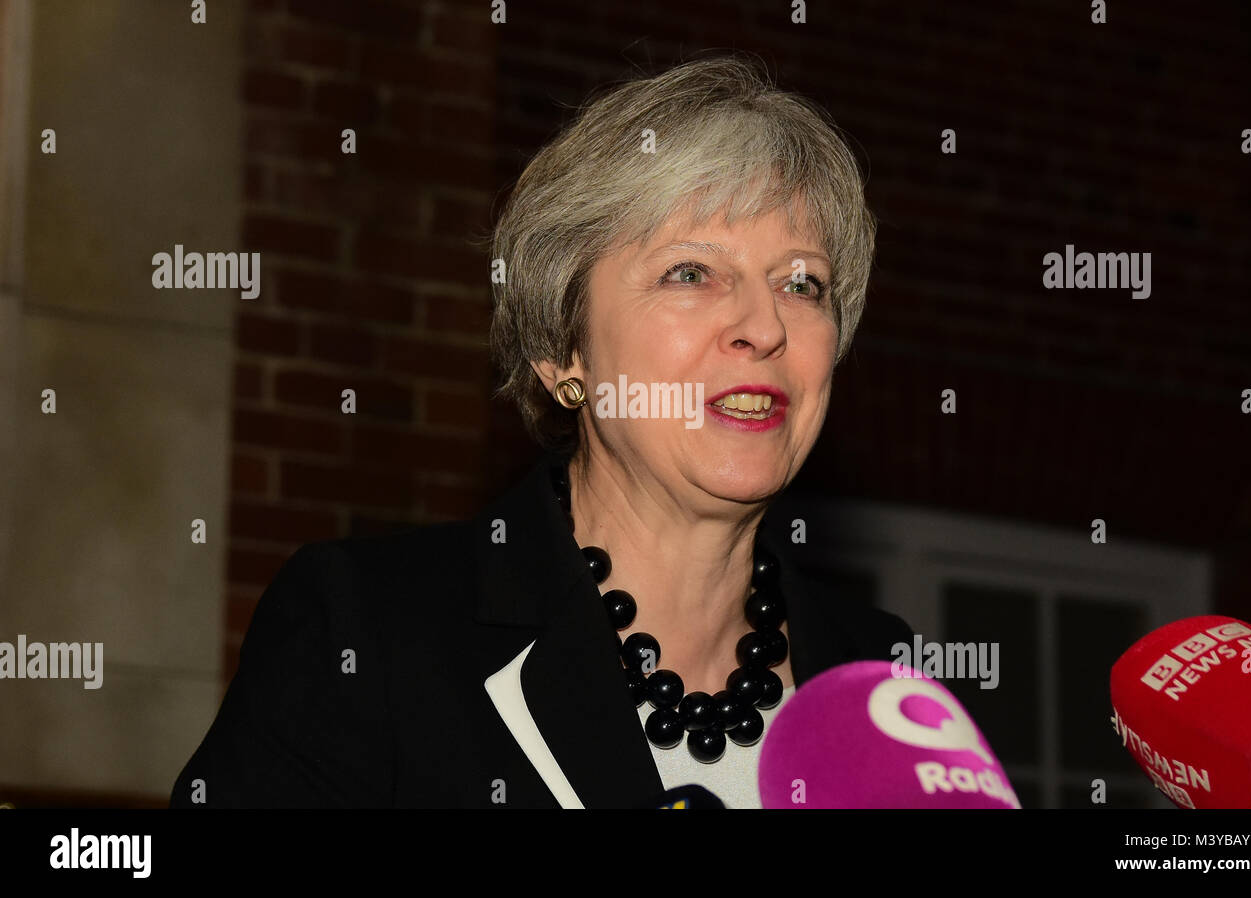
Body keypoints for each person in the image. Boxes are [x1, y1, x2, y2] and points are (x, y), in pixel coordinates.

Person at [171, 54, 913, 809]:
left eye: (801, 283)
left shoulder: (889, 683)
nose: (763, 327)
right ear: (563, 352)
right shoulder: (366, 630)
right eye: (690, 273)